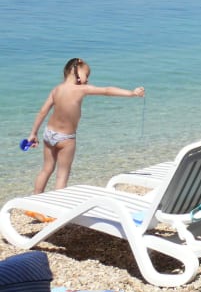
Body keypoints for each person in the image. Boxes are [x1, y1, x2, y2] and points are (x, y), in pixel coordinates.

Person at [27, 58, 145, 193]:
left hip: (49, 134)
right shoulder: (81, 90)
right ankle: (56, 207)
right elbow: (107, 90)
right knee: (62, 175)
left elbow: (43, 111)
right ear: (74, 71)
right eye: (86, 75)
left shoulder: (56, 90)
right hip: (66, 139)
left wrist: (33, 133)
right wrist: (131, 93)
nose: (87, 80)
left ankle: (35, 199)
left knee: (46, 169)